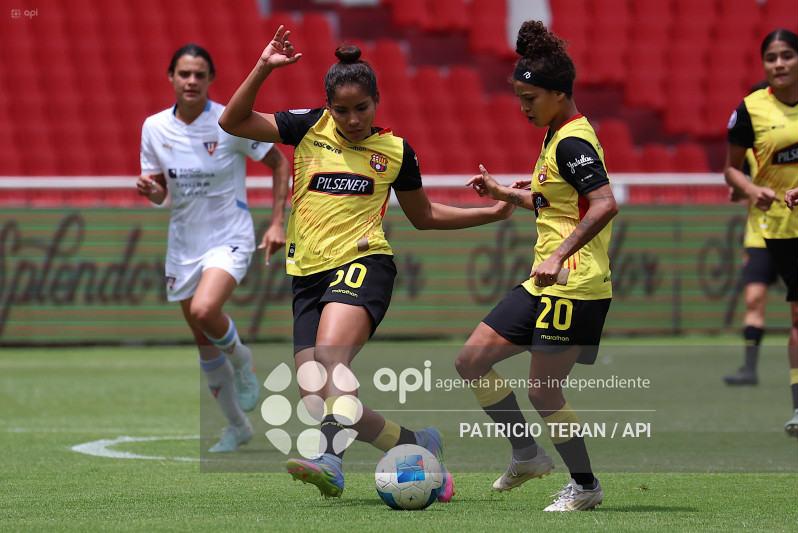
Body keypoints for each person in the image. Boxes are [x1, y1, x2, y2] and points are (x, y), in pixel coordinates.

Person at [218, 26, 515, 500]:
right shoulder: (307, 128)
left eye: (362, 108)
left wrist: (492, 213)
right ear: (328, 106)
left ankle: (331, 463)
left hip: (364, 264)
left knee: (334, 359)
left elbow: (424, 215)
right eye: (342, 110)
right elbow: (233, 122)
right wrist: (263, 68)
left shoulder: (397, 152)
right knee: (320, 402)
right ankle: (420, 444)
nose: (353, 119)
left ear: (377, 101)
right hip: (307, 275)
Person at [455, 20, 618, 512]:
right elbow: (558, 206)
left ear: (559, 93)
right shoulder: (555, 136)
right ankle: (526, 454)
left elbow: (605, 204)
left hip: (575, 280)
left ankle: (586, 486)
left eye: (530, 98)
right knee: (471, 361)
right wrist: (507, 193)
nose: (522, 108)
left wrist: (558, 254)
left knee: (544, 390)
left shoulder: (572, 143)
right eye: (519, 98)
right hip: (544, 279)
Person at [137, 44, 291, 452]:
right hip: (183, 244)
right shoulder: (154, 127)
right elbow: (160, 192)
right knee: (203, 338)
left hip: (230, 236)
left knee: (207, 311)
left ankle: (243, 361)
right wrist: (152, 190)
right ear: (171, 77)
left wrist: (278, 221)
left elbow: (280, 163)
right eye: (184, 74)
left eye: (199, 75)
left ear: (210, 80)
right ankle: (238, 427)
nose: (191, 81)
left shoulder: (227, 122)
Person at [723, 29, 798, 438]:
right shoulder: (752, 112)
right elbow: (732, 174)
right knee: (773, 305)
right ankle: (756, 373)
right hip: (771, 229)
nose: (780, 64)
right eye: (772, 57)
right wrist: (753, 190)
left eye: (787, 55)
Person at [724, 146, 780, 386]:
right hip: (760, 236)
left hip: (795, 234)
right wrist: (738, 192)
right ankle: (749, 369)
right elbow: (739, 184)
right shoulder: (750, 151)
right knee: (753, 299)